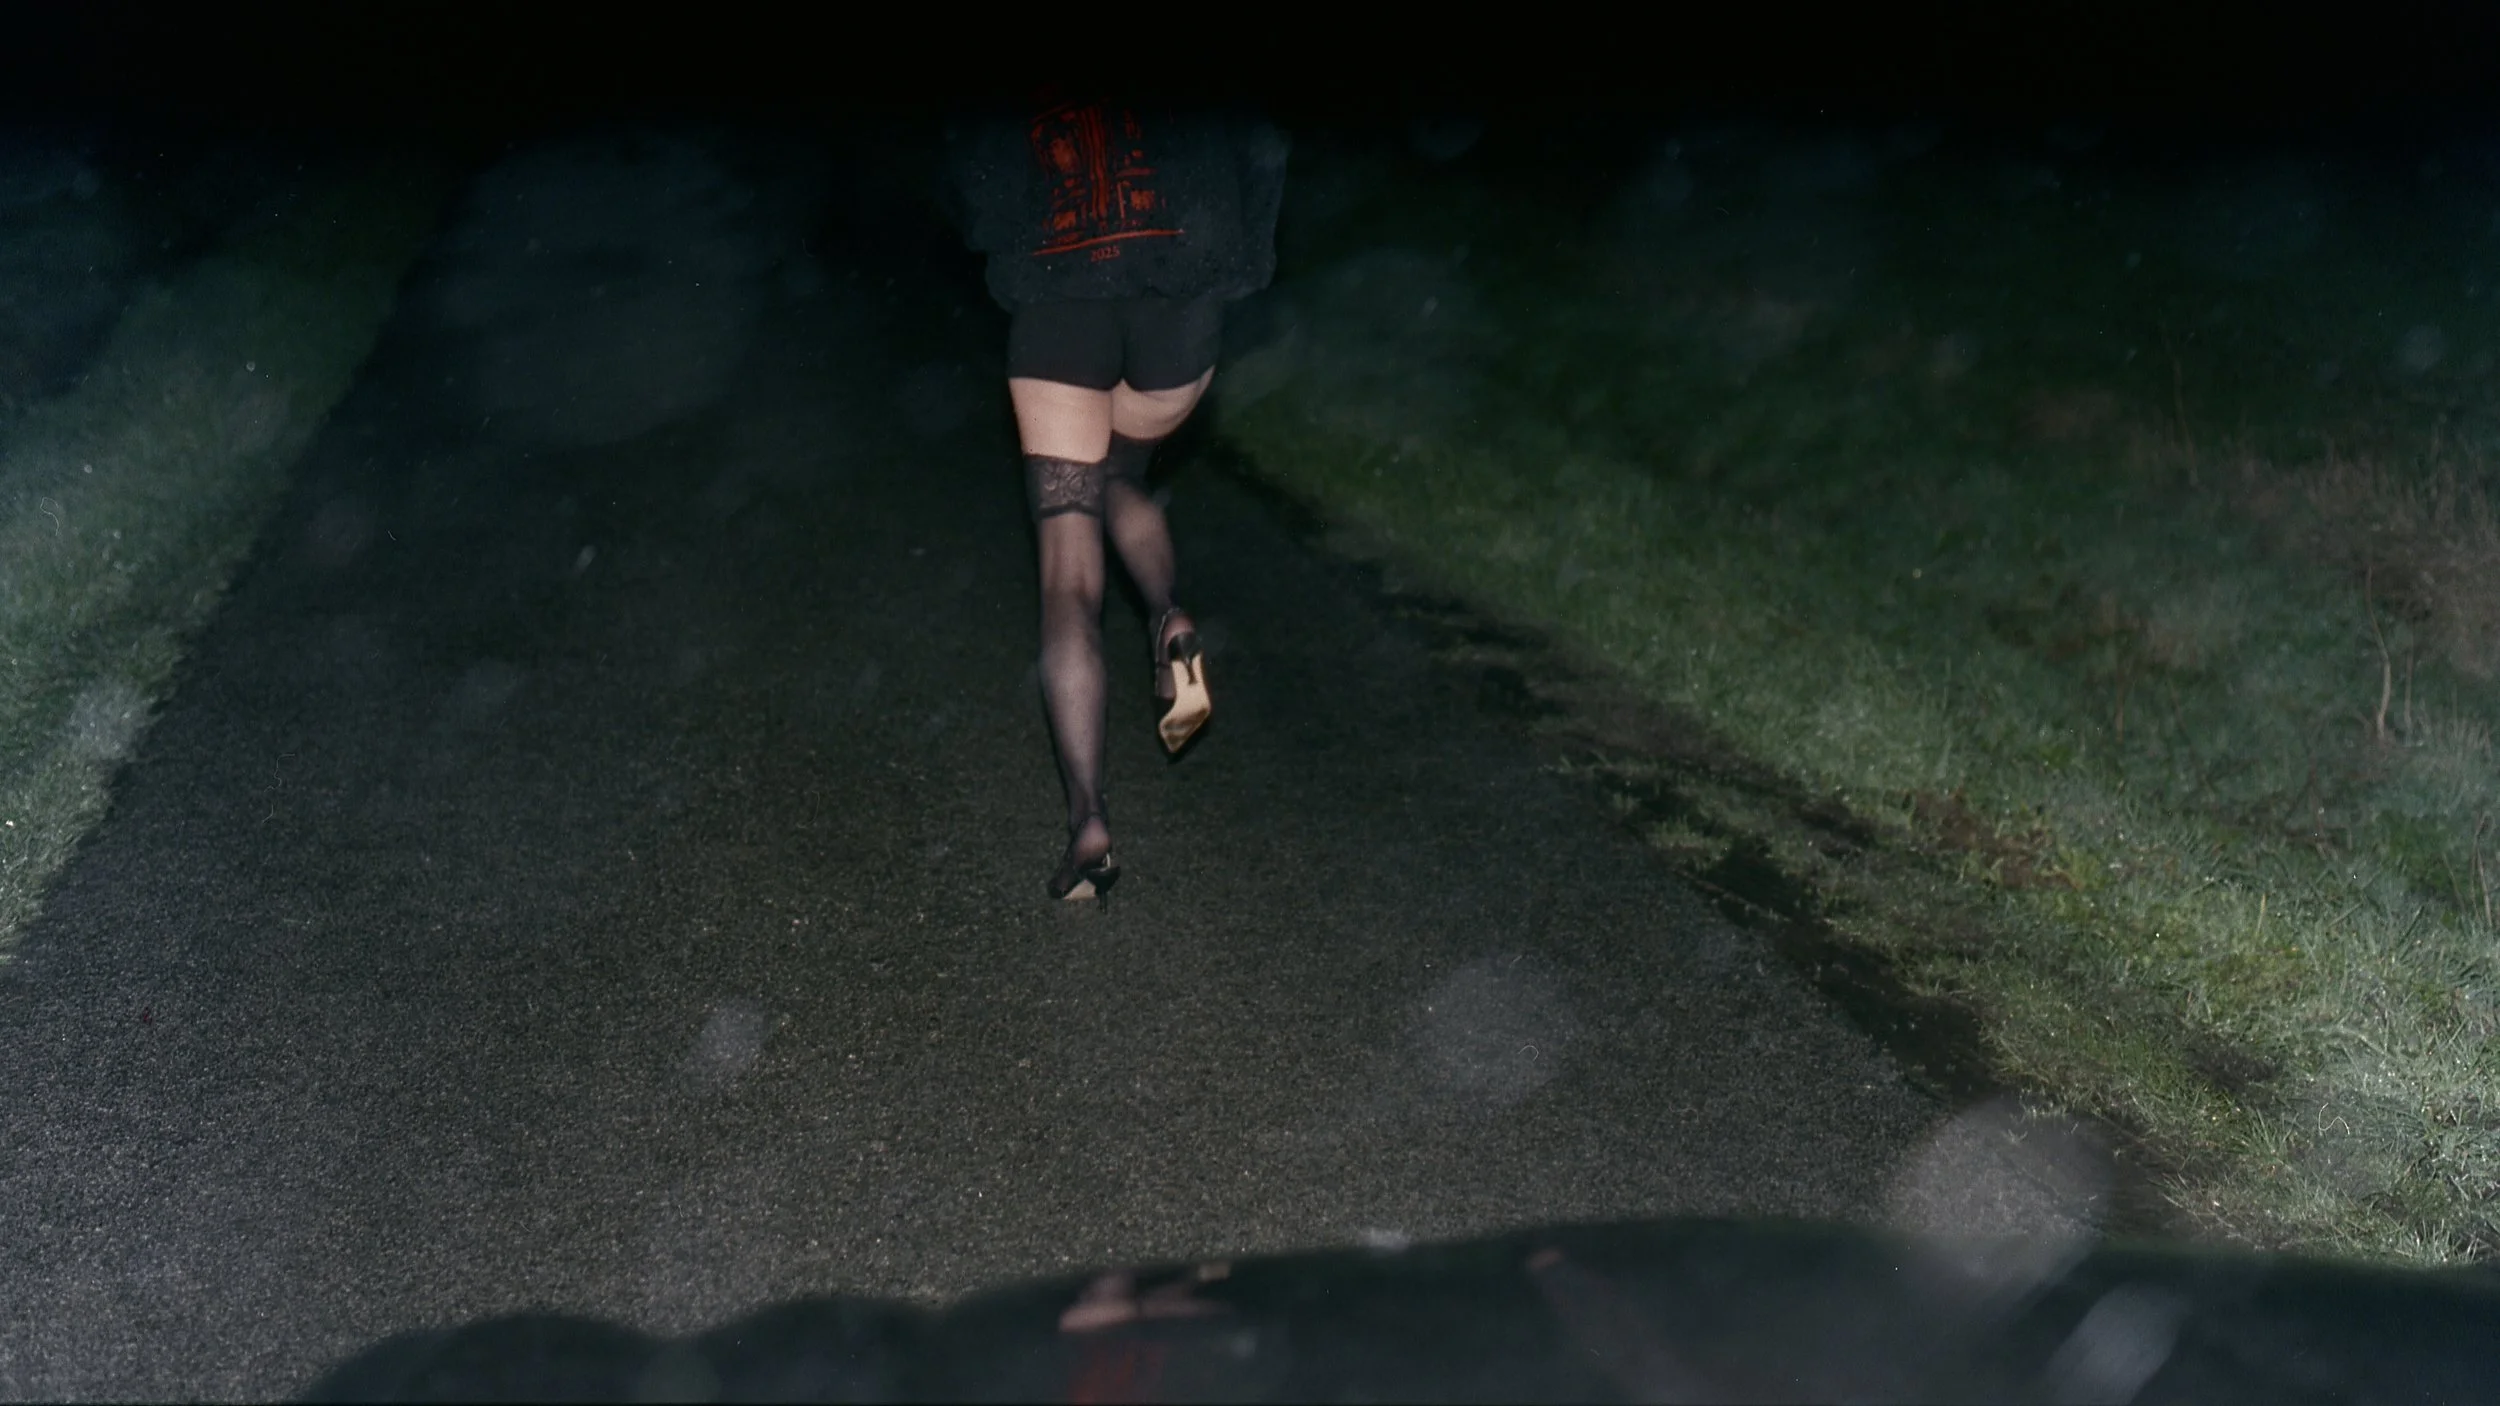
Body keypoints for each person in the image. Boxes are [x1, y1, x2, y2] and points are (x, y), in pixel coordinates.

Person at [950, 95, 1288, 901]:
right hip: (1181, 285)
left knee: (1068, 573)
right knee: (1122, 476)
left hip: (1059, 292)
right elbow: (1256, 143)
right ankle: (1168, 609)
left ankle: (1089, 822)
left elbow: (979, 177)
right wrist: (1237, 266)